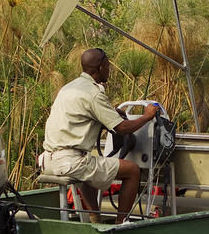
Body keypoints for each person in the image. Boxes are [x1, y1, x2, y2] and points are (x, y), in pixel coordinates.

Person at [39, 48, 159, 224]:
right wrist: (147, 116)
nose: (109, 69)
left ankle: (96, 220)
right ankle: (121, 225)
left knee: (89, 170)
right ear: (101, 67)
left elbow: (79, 117)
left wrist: (109, 114)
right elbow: (122, 128)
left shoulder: (68, 88)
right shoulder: (94, 93)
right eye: (108, 66)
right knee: (133, 170)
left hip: (47, 160)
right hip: (70, 162)